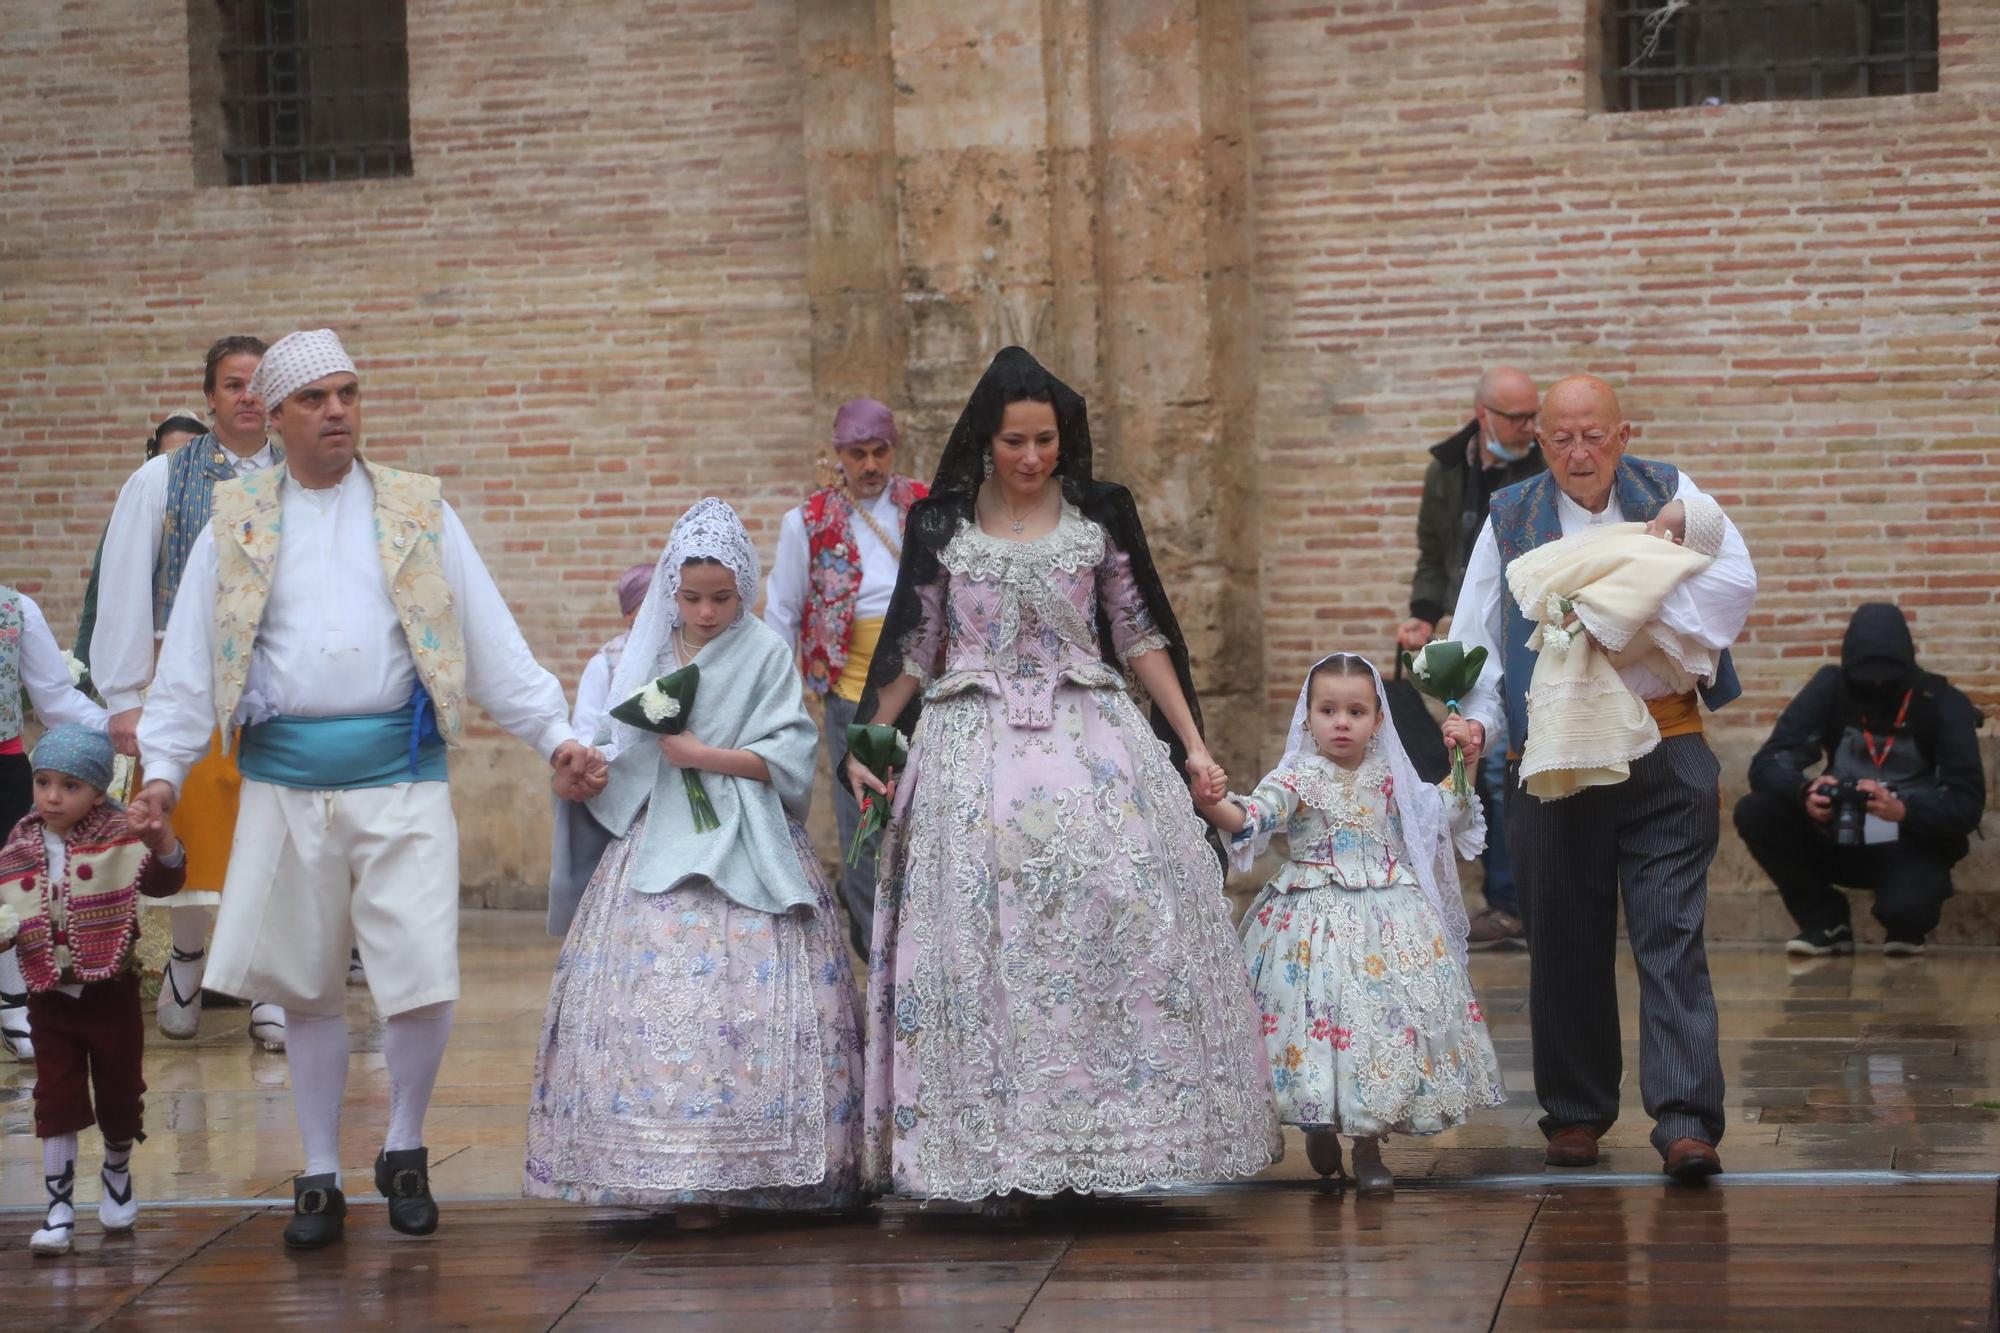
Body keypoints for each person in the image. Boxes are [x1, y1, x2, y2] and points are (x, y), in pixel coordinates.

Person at [127, 328, 603, 1250]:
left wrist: (559, 734)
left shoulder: (418, 508)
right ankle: (315, 1171)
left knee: (424, 977)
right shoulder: (237, 520)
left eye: (348, 392)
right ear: (274, 414)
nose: (338, 410)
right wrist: (159, 771)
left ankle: (405, 1147)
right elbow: (189, 662)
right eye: (316, 398)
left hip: (403, 776)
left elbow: (489, 638)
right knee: (304, 988)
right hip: (283, 784)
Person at [847, 347, 1280, 1209]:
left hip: (1093, 740)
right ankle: (989, 1143)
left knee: (1113, 914)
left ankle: (1106, 1133)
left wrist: (1192, 743)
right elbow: (916, 644)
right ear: (987, 438)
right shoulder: (941, 522)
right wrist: (873, 735)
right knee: (977, 938)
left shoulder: (1099, 514)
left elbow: (1138, 631)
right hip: (974, 747)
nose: (1032, 457)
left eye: (1045, 439)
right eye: (1015, 441)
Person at [1444, 374, 1757, 1184]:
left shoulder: (1674, 493)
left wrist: (1624, 618)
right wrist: (1477, 717)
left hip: (1666, 746)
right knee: (1563, 940)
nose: (1579, 452)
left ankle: (1687, 1121)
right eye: (1561, 438)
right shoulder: (1511, 515)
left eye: (1594, 435)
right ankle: (1576, 1114)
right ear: (1538, 442)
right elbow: (1477, 631)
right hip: (1552, 758)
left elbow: (1729, 594)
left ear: (1624, 433)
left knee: (1672, 937)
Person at [527, 498, 863, 1216]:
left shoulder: (767, 652)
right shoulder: (648, 654)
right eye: (690, 598)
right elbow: (627, 751)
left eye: (721, 598)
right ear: (668, 594)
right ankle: (653, 1160)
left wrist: (704, 754)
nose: (706, 613)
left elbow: (793, 750)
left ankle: (763, 1161)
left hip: (747, 836)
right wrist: (588, 770)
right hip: (658, 835)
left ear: (744, 587)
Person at [1195, 653, 1505, 1198]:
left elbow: (1447, 815)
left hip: (1389, 918)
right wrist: (1214, 804)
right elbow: (1251, 819)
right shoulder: (1297, 778)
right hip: (1308, 921)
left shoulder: (1391, 778)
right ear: (1308, 717)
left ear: (1377, 719)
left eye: (1356, 711)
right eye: (1329, 710)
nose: (1342, 722)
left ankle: (1366, 1143)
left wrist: (1463, 758)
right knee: (1314, 1018)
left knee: (1377, 1025)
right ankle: (1318, 1121)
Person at [94, 339, 289, 1052]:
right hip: (188, 688)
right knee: (191, 842)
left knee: (273, 834)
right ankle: (186, 959)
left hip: (275, 689)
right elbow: (123, 581)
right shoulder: (162, 479)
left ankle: (270, 983)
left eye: (258, 385)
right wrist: (122, 694)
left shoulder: (297, 476)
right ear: (210, 397)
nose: (247, 397)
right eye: (232, 385)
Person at [0, 725, 185, 1255]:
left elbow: (163, 880)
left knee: (121, 1090)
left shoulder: (120, 836)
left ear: (99, 790)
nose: (52, 796)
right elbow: (9, 905)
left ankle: (117, 1170)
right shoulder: (19, 841)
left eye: (70, 786)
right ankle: (58, 1208)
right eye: (42, 782)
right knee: (54, 1097)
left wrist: (161, 842)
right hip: (47, 994)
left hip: (110, 992)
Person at [763, 398, 928, 959]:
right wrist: (780, 698)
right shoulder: (805, 522)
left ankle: (926, 941)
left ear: (894, 449)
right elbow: (782, 613)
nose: (870, 464)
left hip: (925, 689)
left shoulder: (927, 508)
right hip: (854, 693)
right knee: (867, 824)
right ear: (839, 455)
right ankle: (877, 948)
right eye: (857, 454)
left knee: (927, 813)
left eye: (880, 451)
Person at [1736, 603, 1985, 958]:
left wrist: (1903, 810)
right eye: (1868, 675)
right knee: (1756, 811)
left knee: (1906, 911)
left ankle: (1905, 926)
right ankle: (1825, 920)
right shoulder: (1831, 687)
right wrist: (1806, 792)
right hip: (1838, 833)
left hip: (1909, 843)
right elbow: (1768, 765)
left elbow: (1967, 804)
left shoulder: (1942, 702)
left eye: (1888, 676)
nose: (1879, 684)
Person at [1398, 367, 1544, 951]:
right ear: (1484, 414)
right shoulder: (1448, 469)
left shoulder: (1540, 469)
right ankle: (1507, 905)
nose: (1529, 428)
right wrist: (1422, 615)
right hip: (1468, 637)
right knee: (1480, 763)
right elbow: (1434, 552)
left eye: (1534, 415)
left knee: (1511, 769)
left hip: (1525, 632)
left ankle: (1529, 903)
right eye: (1517, 417)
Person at [0, 588, 110, 1064]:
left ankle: (10, 999)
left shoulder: (14, 608)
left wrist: (118, 725)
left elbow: (54, 698)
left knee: (7, 880)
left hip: (2, 767)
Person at [74, 410, 208, 685]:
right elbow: (101, 600)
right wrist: (84, 677)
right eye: (169, 457)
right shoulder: (132, 517)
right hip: (151, 673)